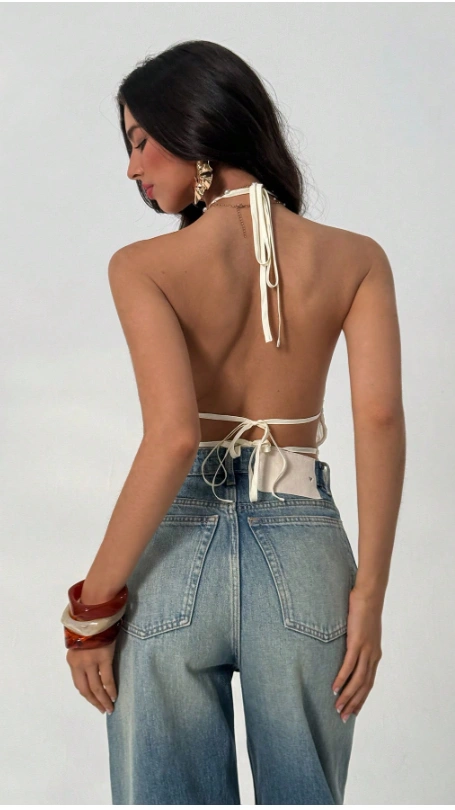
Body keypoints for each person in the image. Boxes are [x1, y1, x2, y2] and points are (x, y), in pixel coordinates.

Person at [63, 40, 406, 804]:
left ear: (195, 127)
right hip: (304, 546)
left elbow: (172, 438)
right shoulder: (356, 259)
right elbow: (379, 418)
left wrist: (90, 611)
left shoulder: (142, 266)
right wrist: (368, 597)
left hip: (173, 553)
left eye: (140, 140)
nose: (131, 167)